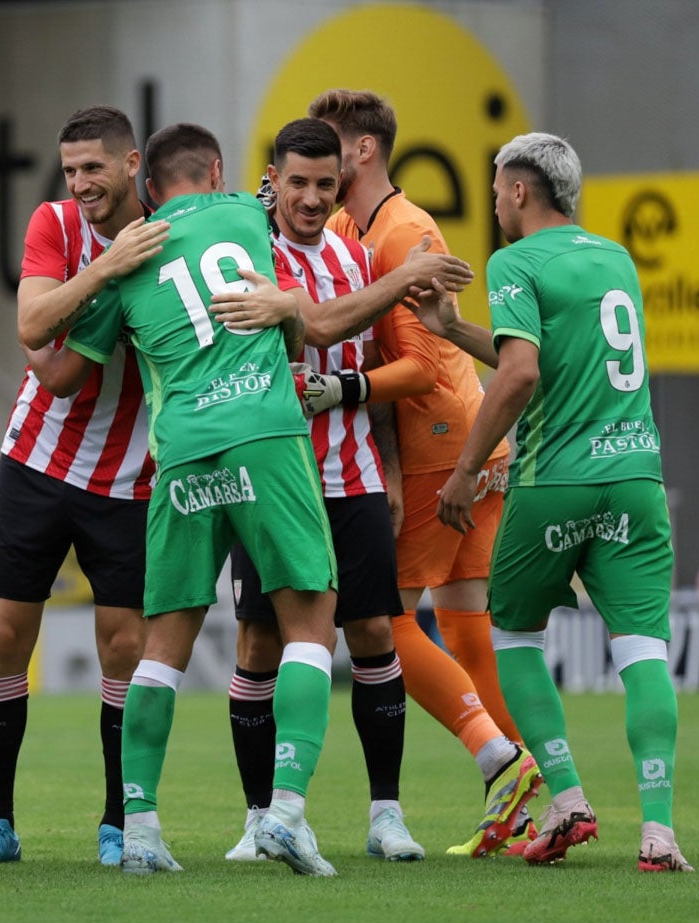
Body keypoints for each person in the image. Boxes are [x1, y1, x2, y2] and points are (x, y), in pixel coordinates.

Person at [35, 122, 342, 877]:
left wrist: (100, 279)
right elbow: (303, 318)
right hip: (264, 435)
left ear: (150, 177)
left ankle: (139, 829)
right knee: (309, 624)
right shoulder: (246, 213)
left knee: (162, 643)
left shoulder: (126, 260)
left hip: (181, 455)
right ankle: (287, 814)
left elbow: (58, 370)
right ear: (214, 168)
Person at [210, 117, 486, 865]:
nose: (308, 197)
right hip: (270, 481)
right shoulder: (244, 257)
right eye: (296, 182)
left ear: (339, 185)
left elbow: (385, 369)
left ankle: (385, 814)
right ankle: (257, 815)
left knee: (372, 634)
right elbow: (313, 331)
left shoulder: (353, 256)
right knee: (259, 641)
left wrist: (392, 471)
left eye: (323, 184)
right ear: (272, 179)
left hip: (352, 476)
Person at [427, 132, 690, 872]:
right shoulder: (612, 258)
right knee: (642, 652)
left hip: (553, 482)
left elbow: (518, 376)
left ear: (517, 190)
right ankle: (659, 832)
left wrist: (465, 470)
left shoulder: (514, 260)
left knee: (511, 635)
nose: (492, 200)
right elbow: (543, 356)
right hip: (636, 479)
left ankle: (568, 798)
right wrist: (451, 330)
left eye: (494, 187)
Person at [308, 89, 545, 857]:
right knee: (471, 633)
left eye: (330, 146)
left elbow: (416, 365)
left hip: (441, 440)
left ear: (365, 150)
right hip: (467, 435)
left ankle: (502, 762)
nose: (317, 164)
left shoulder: (406, 231)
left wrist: (343, 389)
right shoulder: (350, 223)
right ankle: (537, 802)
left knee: (377, 621)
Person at [0, 105, 168, 867]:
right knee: (2, 638)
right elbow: (32, 324)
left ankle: (118, 821)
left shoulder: (168, 233)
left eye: (94, 167)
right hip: (37, 461)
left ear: (130, 165)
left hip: (129, 477)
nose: (79, 182)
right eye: (70, 168)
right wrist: (107, 267)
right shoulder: (53, 222)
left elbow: (59, 354)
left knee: (122, 646)